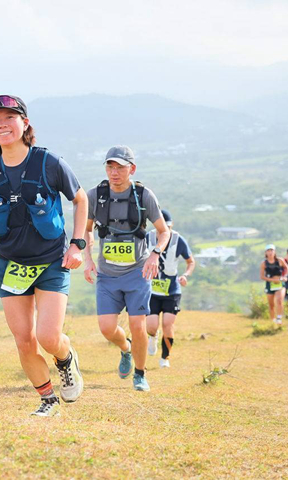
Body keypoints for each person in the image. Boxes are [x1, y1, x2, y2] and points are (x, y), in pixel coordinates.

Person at [0, 95, 88, 417]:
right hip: (11, 265)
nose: (2, 125)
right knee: (24, 340)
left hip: (51, 262)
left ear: (25, 123)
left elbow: (80, 198)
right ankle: (48, 400)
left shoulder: (49, 163)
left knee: (48, 336)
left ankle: (65, 358)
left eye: (9, 118)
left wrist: (77, 245)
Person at [83, 145, 169, 392]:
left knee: (138, 325)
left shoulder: (144, 196)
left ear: (132, 169)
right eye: (110, 167)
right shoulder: (95, 196)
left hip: (137, 273)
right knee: (107, 328)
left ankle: (140, 375)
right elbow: (85, 230)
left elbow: (164, 232)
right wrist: (87, 259)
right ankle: (126, 349)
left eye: (120, 167)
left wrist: (155, 254)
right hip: (107, 274)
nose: (114, 172)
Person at [144, 209, 196, 368]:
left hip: (172, 290)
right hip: (152, 290)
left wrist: (185, 275)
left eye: (167, 227)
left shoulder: (178, 240)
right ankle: (152, 337)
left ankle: (165, 357)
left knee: (168, 324)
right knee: (151, 326)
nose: (163, 231)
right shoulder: (148, 238)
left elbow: (190, 261)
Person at [260, 245, 288, 325]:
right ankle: (272, 321)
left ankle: (279, 318)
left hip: (280, 283)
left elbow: (287, 268)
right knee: (271, 304)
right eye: (268, 251)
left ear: (274, 252)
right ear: (266, 253)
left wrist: (285, 276)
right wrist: (272, 280)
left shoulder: (280, 261)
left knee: (279, 300)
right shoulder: (264, 264)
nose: (270, 252)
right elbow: (262, 276)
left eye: (271, 250)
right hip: (270, 284)